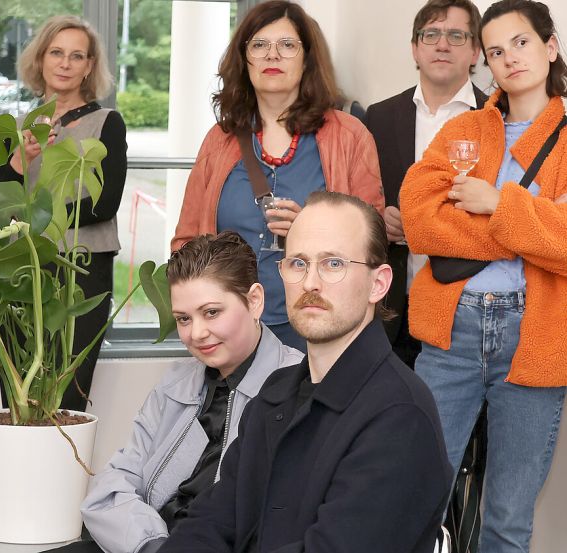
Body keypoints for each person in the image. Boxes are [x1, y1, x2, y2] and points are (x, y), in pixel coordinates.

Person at [161, 191, 451, 553]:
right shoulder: (276, 394)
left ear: (379, 283)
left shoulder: (401, 418)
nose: (310, 282)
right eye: (298, 263)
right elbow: (210, 521)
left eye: (333, 264)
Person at [400, 1, 567, 550]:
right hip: (452, 334)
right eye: (495, 50)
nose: (509, 58)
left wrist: (495, 203)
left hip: (535, 340)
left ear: (550, 45)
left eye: (520, 42)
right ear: (485, 63)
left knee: (507, 519)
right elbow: (420, 217)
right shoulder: (464, 128)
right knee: (413, 501)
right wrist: (528, 228)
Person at [171, 0, 384, 352]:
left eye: (287, 45)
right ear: (245, 59)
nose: (272, 55)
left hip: (317, 324)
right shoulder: (219, 139)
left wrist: (312, 227)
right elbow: (186, 241)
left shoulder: (349, 135)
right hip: (232, 333)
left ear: (307, 59)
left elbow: (373, 240)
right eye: (259, 45)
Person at [78, 232, 303, 553]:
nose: (197, 333)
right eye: (184, 318)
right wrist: (153, 544)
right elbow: (111, 487)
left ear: (254, 301)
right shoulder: (176, 383)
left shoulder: (298, 387)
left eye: (211, 312)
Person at [0, 15, 127, 411]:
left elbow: (105, 204)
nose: (65, 63)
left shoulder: (106, 124)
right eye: (57, 52)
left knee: (66, 400)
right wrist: (17, 160)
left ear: (89, 66)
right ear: (41, 60)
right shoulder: (15, 127)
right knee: (18, 398)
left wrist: (34, 215)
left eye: (76, 55)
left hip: (82, 270)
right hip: (20, 271)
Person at [365, 0, 487, 368]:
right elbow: (360, 200)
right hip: (391, 307)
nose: (442, 45)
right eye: (430, 34)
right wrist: (378, 220)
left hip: (466, 308)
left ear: (475, 51)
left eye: (456, 35)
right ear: (415, 48)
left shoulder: (495, 118)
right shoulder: (380, 117)